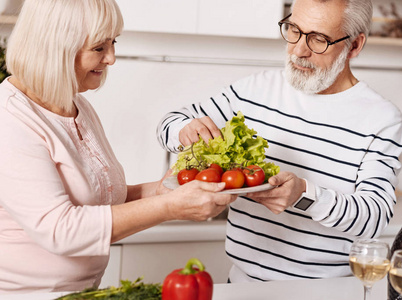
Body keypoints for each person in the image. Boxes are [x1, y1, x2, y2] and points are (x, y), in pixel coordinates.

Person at [157, 0, 402, 283]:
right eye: (294, 30)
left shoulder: (382, 118)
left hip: (328, 291)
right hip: (243, 285)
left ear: (354, 45)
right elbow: (170, 122)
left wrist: (304, 196)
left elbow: (374, 217)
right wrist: (184, 131)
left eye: (319, 39)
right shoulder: (254, 90)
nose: (299, 50)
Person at [0, 0, 237, 294]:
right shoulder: (9, 119)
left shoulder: (77, 106)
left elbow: (102, 202)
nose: (111, 58)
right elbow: (60, 230)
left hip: (83, 292)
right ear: (56, 46)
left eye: (113, 43)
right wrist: (168, 207)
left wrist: (162, 190)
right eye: (99, 47)